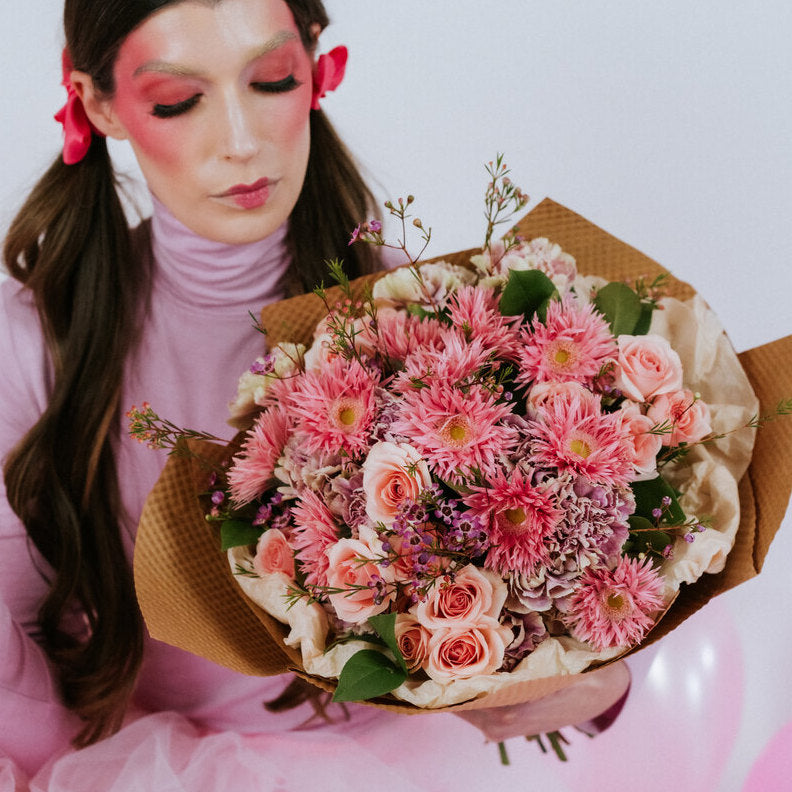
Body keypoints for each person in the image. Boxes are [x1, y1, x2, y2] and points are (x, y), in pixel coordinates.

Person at [0, 1, 632, 787]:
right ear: (98, 105)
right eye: (176, 100)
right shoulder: (34, 342)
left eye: (270, 80)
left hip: (396, 764)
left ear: (315, 68)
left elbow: (536, 569)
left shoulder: (421, 316)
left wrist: (593, 678)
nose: (241, 141)